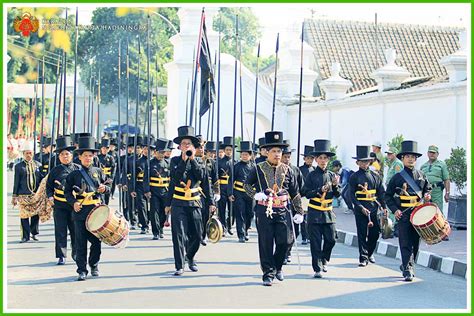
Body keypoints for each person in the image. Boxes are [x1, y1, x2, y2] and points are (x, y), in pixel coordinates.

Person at [244, 131, 304, 286]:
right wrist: (256, 195)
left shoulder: (288, 169)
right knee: (266, 242)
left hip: (283, 210)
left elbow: (295, 192)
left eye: (279, 151)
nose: (277, 154)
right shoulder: (257, 168)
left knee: (285, 241)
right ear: (266, 152)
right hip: (264, 210)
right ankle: (267, 273)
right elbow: (246, 185)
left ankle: (278, 267)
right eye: (274, 151)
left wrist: (299, 211)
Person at [165, 126, 216, 276]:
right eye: (184, 143)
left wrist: (212, 202)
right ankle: (179, 265)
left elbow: (203, 180)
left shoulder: (200, 161)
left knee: (198, 234)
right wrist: (167, 205)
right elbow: (174, 179)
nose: (186, 146)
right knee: (179, 234)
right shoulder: (174, 161)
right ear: (179, 146)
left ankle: (190, 257)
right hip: (178, 202)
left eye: (189, 144)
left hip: (195, 202)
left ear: (194, 147)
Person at [64, 136, 111, 281]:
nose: (88, 158)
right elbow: (67, 192)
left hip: (96, 212)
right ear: (79, 157)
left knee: (97, 242)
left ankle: (94, 265)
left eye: (90, 156)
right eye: (85, 156)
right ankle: (81, 270)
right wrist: (73, 203)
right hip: (80, 213)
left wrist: (105, 188)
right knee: (80, 243)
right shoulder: (74, 174)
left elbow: (108, 186)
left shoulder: (98, 171)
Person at [385, 140, 432, 282]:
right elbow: (387, 196)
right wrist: (395, 210)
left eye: (413, 157)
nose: (411, 159)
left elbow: (427, 189)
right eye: (408, 157)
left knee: (416, 243)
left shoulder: (421, 175)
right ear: (402, 158)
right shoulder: (397, 177)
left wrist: (427, 195)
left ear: (416, 159)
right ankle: (407, 269)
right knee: (405, 242)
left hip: (418, 214)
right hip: (404, 214)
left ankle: (408, 264)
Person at [302, 139, 340, 278]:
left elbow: (338, 194)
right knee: (316, 242)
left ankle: (324, 259)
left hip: (328, 212)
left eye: (325, 158)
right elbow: (305, 192)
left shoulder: (332, 175)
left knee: (331, 239)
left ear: (328, 160)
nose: (323, 161)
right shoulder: (311, 175)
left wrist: (335, 186)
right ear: (316, 159)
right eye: (320, 158)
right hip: (314, 212)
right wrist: (319, 189)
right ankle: (317, 267)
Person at [348, 145, 387, 266]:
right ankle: (363, 257)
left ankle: (370, 253)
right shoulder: (354, 177)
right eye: (362, 162)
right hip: (361, 209)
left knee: (375, 233)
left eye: (366, 161)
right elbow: (351, 195)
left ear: (370, 161)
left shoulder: (376, 176)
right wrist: (360, 207)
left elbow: (381, 193)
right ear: (357, 162)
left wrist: (384, 207)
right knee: (362, 233)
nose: (364, 164)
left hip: (373, 208)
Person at [46, 135, 79, 265]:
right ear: (59, 157)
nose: (65, 156)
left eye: (67, 154)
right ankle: (61, 255)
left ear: (71, 155)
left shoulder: (77, 169)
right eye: (62, 154)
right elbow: (48, 187)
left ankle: (76, 252)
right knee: (60, 230)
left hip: (74, 205)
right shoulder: (55, 170)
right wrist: (50, 196)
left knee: (75, 230)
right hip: (59, 205)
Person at [12, 141, 42, 243]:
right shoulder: (19, 166)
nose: (29, 155)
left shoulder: (38, 165)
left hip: (35, 195)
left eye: (30, 153)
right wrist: (14, 196)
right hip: (23, 195)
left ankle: (34, 233)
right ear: (23, 154)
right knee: (24, 216)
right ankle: (25, 236)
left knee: (35, 215)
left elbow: (42, 180)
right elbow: (16, 182)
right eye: (27, 153)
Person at [228, 141, 255, 243]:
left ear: (250, 155)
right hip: (238, 192)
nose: (244, 156)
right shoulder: (236, 166)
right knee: (240, 213)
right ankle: (241, 234)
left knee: (250, 213)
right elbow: (230, 180)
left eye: (246, 154)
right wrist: (230, 193)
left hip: (250, 193)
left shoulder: (254, 167)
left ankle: (246, 229)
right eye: (242, 154)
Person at [144, 138, 170, 240]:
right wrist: (147, 190)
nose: (161, 155)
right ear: (155, 152)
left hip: (165, 191)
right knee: (154, 211)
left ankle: (161, 228)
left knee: (164, 212)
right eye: (160, 152)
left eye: (163, 152)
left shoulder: (168, 163)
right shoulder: (150, 164)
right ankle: (155, 232)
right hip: (154, 191)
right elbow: (146, 179)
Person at [217, 137, 236, 236]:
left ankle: (230, 225)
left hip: (232, 189)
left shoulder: (235, 163)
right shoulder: (219, 162)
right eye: (227, 150)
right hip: (222, 187)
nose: (229, 152)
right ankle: (223, 227)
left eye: (230, 150)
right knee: (222, 209)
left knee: (232, 210)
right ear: (224, 150)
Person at [385, 147, 404, 237]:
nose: (388, 155)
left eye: (390, 153)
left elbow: (398, 177)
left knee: (392, 209)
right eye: (388, 154)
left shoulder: (397, 163)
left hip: (394, 190)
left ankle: (391, 229)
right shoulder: (392, 163)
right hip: (390, 188)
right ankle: (391, 228)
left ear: (395, 154)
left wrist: (396, 191)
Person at [298, 145, 314, 244]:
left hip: (313, 196)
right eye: (308, 158)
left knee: (311, 218)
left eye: (311, 158)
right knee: (303, 218)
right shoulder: (299, 169)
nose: (310, 160)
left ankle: (310, 236)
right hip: (303, 195)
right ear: (304, 158)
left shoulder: (315, 170)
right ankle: (304, 236)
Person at [97, 138, 115, 205]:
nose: (105, 150)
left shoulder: (111, 158)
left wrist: (111, 178)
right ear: (101, 148)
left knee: (107, 194)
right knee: (101, 195)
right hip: (100, 178)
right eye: (103, 148)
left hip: (108, 178)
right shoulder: (97, 157)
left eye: (106, 148)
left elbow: (113, 168)